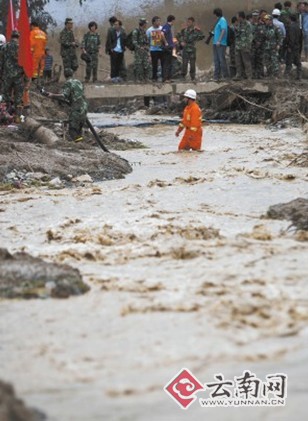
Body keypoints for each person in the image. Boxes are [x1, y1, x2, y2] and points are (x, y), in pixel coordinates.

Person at [47, 68, 88, 142]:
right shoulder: (78, 81)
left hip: (77, 106)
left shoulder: (68, 83)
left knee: (72, 129)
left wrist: (52, 95)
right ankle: (81, 142)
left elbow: (64, 95)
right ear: (72, 74)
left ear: (64, 75)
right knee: (79, 128)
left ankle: (79, 143)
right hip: (84, 105)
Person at [1, 30, 24, 122]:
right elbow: (25, 63)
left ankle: (6, 116)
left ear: (11, 37)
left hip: (6, 76)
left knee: (6, 96)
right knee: (18, 98)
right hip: (18, 76)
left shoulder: (4, 47)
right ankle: (18, 118)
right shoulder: (21, 48)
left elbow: (1, 62)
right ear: (18, 37)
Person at [176, 17, 205, 81]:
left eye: (189, 22)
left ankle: (192, 77)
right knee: (184, 63)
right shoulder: (184, 30)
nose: (188, 23)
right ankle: (183, 76)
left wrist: (199, 30)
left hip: (192, 49)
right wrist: (181, 42)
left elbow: (202, 36)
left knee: (192, 64)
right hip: (185, 49)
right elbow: (178, 35)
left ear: (193, 23)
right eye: (187, 22)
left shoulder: (196, 31)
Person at [233, 11, 253, 80]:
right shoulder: (238, 24)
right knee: (238, 62)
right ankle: (238, 75)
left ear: (241, 17)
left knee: (246, 62)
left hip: (245, 46)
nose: (237, 18)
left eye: (238, 16)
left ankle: (249, 76)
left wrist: (248, 46)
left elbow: (250, 36)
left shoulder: (248, 25)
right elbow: (237, 35)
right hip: (238, 46)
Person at [105, 19, 126, 83]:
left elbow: (125, 39)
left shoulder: (123, 32)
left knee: (119, 64)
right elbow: (109, 40)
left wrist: (124, 47)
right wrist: (110, 48)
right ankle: (113, 77)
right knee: (113, 64)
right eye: (114, 24)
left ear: (120, 25)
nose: (115, 26)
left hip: (120, 50)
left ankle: (118, 77)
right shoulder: (111, 31)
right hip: (114, 50)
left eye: (117, 24)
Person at [211, 8, 229, 81]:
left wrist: (219, 40)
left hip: (221, 43)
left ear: (216, 14)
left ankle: (225, 76)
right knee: (216, 60)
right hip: (215, 43)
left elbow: (223, 30)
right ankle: (216, 76)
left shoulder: (223, 20)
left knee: (221, 60)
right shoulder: (218, 21)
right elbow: (218, 31)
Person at [146, 16, 166, 82]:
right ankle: (154, 77)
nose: (159, 22)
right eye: (157, 21)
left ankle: (163, 77)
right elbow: (147, 40)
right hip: (153, 50)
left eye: (159, 21)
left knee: (163, 64)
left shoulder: (162, 28)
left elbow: (165, 38)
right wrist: (148, 51)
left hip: (161, 49)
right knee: (154, 64)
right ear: (153, 22)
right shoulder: (149, 30)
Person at [132, 18, 152, 82]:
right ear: (142, 24)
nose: (146, 25)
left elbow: (146, 41)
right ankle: (138, 78)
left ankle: (146, 78)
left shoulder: (144, 31)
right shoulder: (136, 31)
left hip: (145, 50)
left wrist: (147, 47)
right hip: (138, 51)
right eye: (145, 23)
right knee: (138, 65)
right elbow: (134, 41)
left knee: (146, 64)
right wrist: (139, 47)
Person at [284, 14, 302, 79]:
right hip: (297, 47)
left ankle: (286, 76)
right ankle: (299, 76)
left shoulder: (291, 27)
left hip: (292, 47)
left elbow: (291, 38)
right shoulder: (298, 27)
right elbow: (300, 38)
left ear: (290, 19)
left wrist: (289, 46)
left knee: (289, 62)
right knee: (298, 63)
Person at [162, 15, 176, 82]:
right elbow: (162, 34)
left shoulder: (169, 27)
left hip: (170, 47)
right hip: (167, 48)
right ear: (172, 20)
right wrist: (166, 43)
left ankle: (168, 78)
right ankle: (165, 78)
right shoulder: (166, 26)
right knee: (167, 63)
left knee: (169, 63)